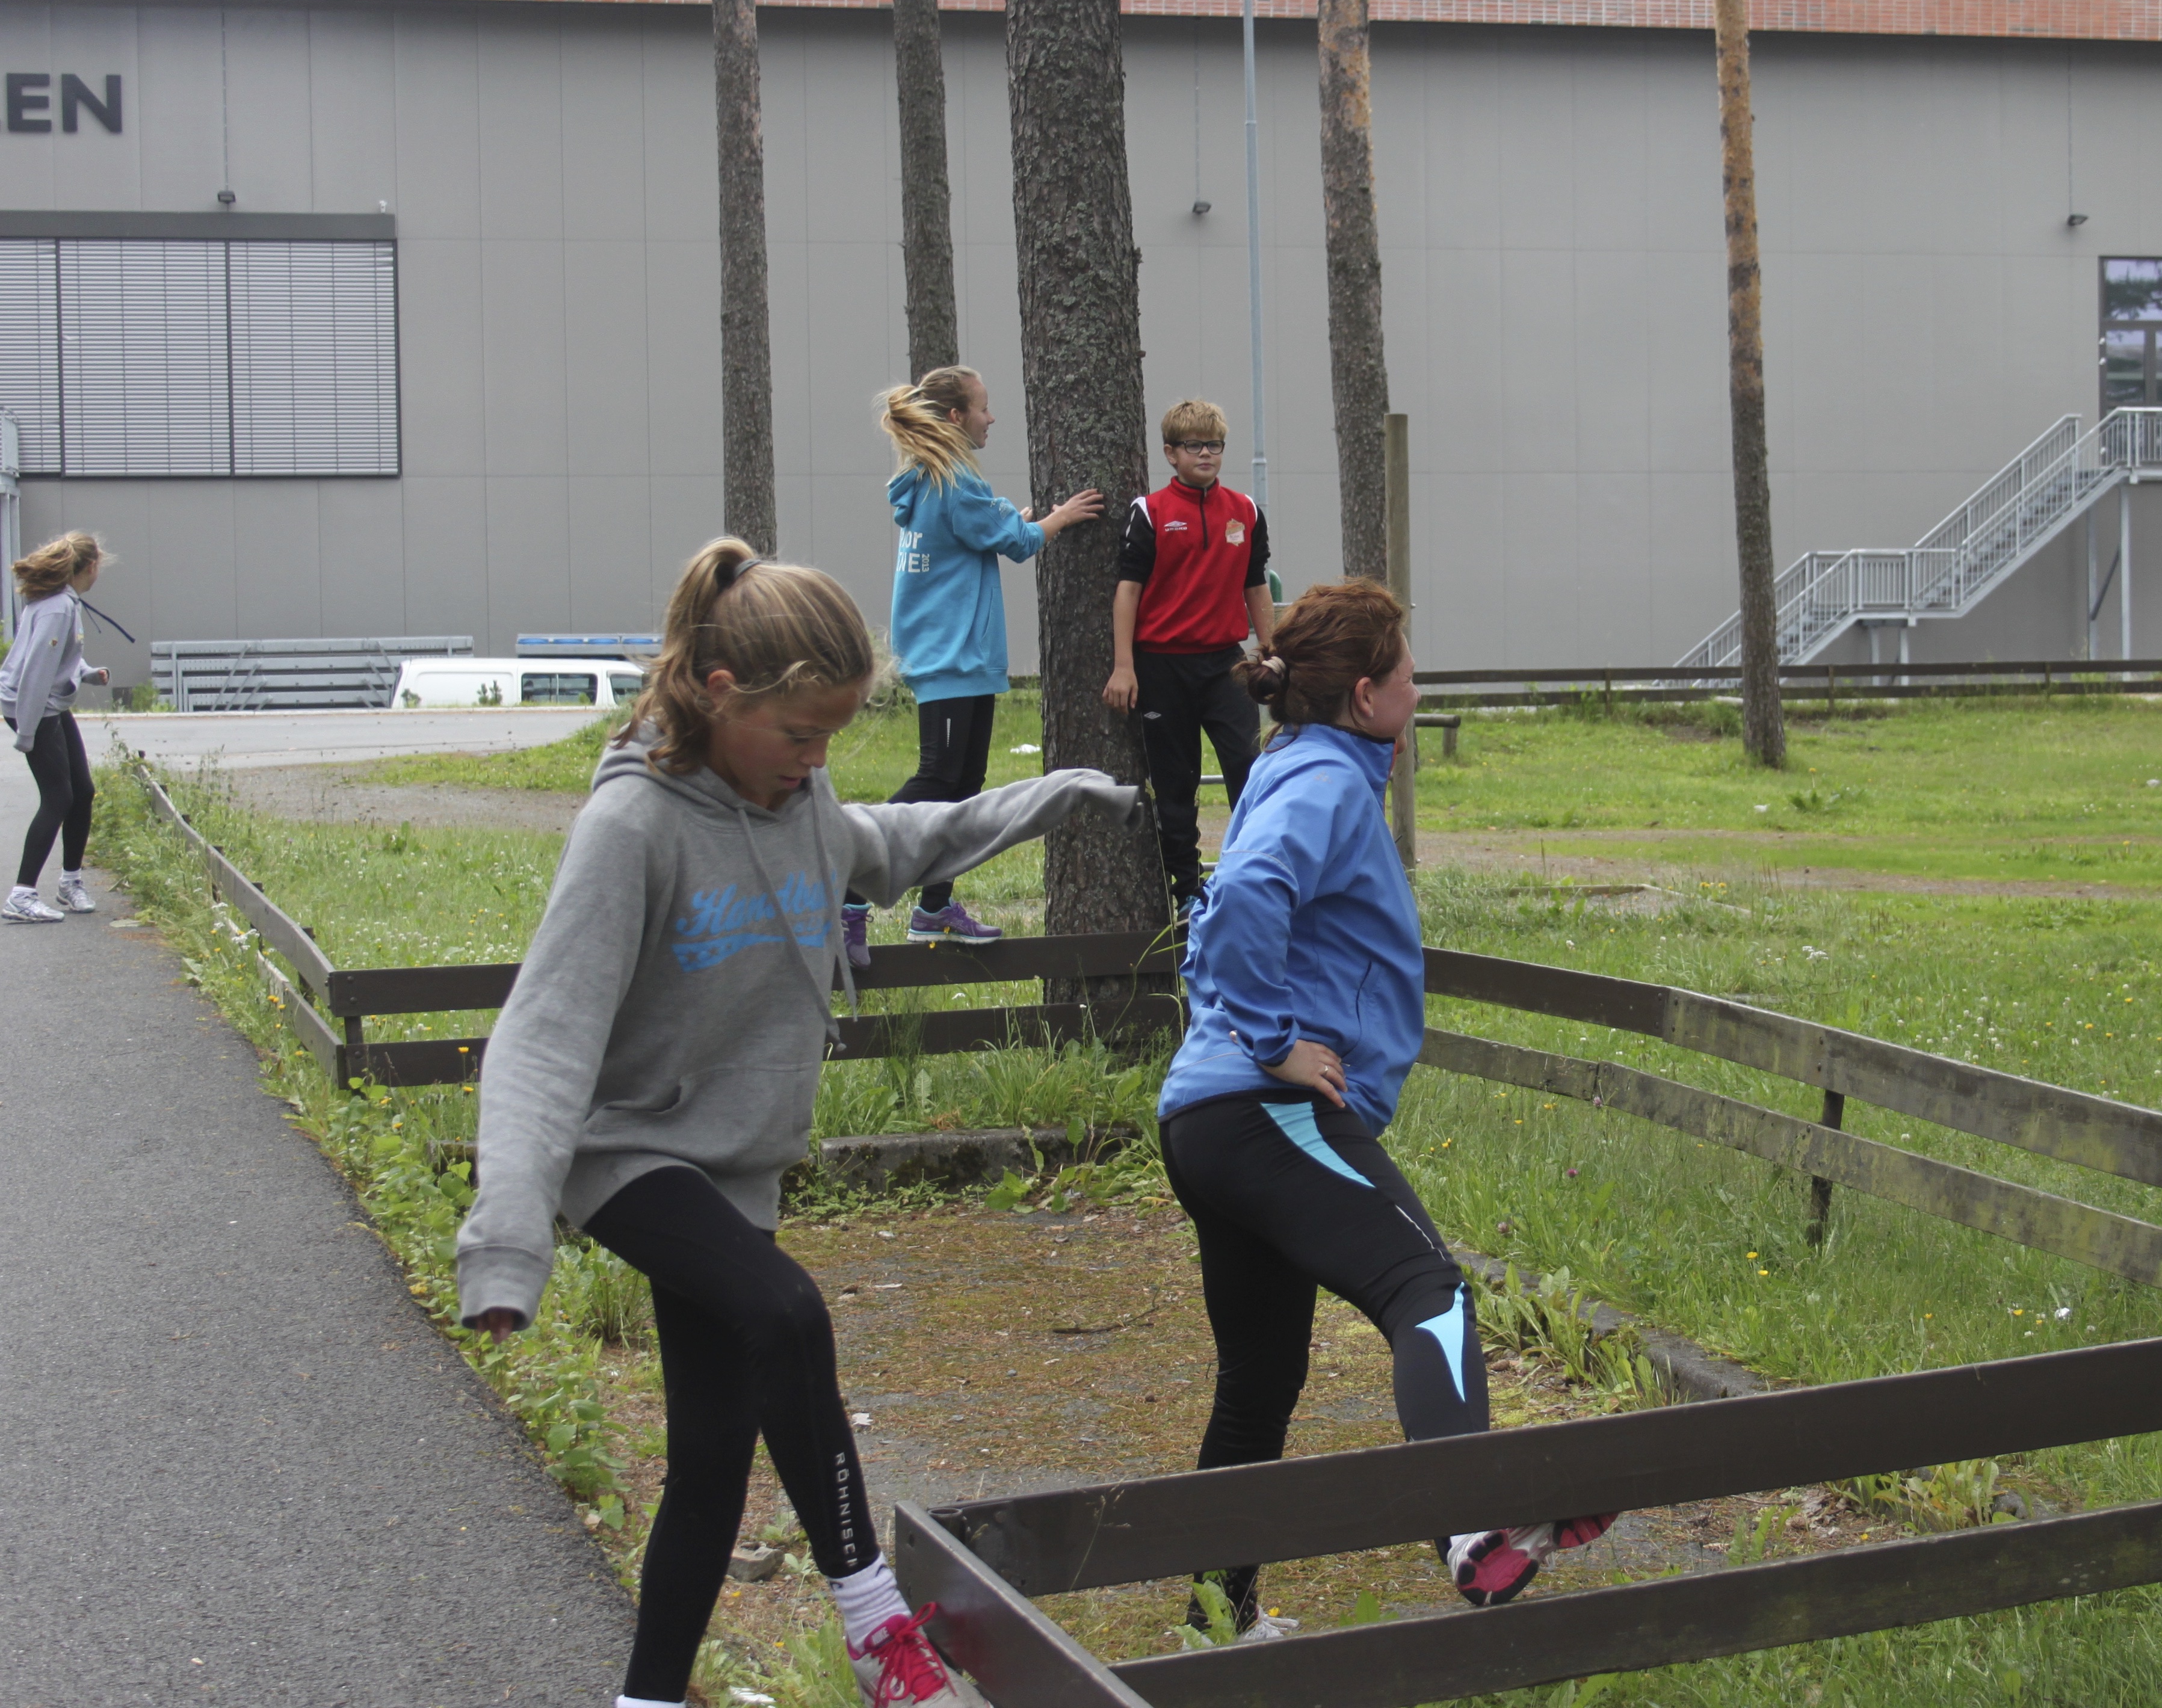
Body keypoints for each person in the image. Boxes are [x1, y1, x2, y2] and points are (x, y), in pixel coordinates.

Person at [454, 537, 1141, 1708]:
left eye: (832, 738)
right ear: (721, 693)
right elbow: (545, 1034)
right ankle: (875, 1625)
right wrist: (509, 1238)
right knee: (787, 1311)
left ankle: (645, 1699)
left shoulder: (803, 803)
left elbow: (895, 846)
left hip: (735, 1165)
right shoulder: (634, 826)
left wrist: (1046, 798)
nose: (816, 761)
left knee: (712, 1461)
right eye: (799, 734)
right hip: (629, 1151)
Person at [1155, 578, 1612, 1632]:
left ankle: (1216, 1626)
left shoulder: (1295, 765)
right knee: (1429, 1291)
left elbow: (1220, 910)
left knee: (1259, 1380)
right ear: (1366, 695)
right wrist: (1274, 1042)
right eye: (1407, 672)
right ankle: (1469, 1518)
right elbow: (1245, 898)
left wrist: (1248, 1035)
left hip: (1208, 1117)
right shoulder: (1322, 779)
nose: (1418, 688)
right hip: (1261, 1111)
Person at [842, 365, 1102, 962]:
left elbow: (990, 528)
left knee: (961, 788)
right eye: (984, 408)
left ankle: (934, 908)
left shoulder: (933, 481)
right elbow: (1018, 542)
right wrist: (1060, 517)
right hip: (952, 657)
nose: (992, 418)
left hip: (959, 657)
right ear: (957, 417)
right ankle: (850, 884)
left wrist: (1014, 519)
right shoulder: (953, 482)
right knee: (939, 779)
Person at [1104, 399, 1275, 922]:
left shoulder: (1245, 511)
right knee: (1176, 785)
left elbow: (1256, 585)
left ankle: (1251, 877)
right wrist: (1124, 666)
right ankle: (1186, 892)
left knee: (1250, 771)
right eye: (1194, 446)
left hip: (1226, 666)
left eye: (1214, 445)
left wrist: (1273, 653)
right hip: (1161, 666)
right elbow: (1128, 591)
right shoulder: (1150, 512)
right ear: (1171, 453)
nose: (1206, 454)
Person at [2, 532, 114, 925]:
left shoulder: (61, 601)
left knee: (82, 791)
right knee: (58, 798)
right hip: (36, 708)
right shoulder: (58, 608)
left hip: (48, 706)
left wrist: (87, 673)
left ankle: (70, 883)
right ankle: (22, 895)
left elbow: (59, 660)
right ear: (92, 566)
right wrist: (27, 733)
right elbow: (36, 673)